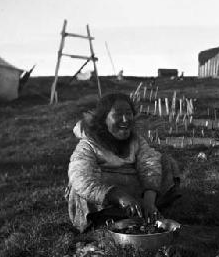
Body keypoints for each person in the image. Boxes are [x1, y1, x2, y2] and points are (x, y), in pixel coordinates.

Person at [66, 92, 181, 232]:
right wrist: (117, 195)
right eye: (118, 114)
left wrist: (149, 199)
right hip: (105, 199)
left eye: (129, 113)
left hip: (135, 194)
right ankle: (105, 219)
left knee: (166, 163)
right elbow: (81, 178)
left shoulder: (136, 141)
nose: (125, 119)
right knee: (78, 189)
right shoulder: (88, 145)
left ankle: (147, 209)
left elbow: (150, 165)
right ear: (103, 119)